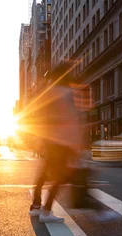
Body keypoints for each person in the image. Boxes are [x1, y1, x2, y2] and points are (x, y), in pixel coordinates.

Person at [29, 62, 84, 223]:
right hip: (62, 141)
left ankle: (36, 206)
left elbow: (41, 117)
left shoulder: (47, 91)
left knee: (44, 174)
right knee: (60, 176)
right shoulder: (67, 92)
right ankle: (46, 211)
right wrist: (76, 144)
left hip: (49, 140)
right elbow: (71, 119)